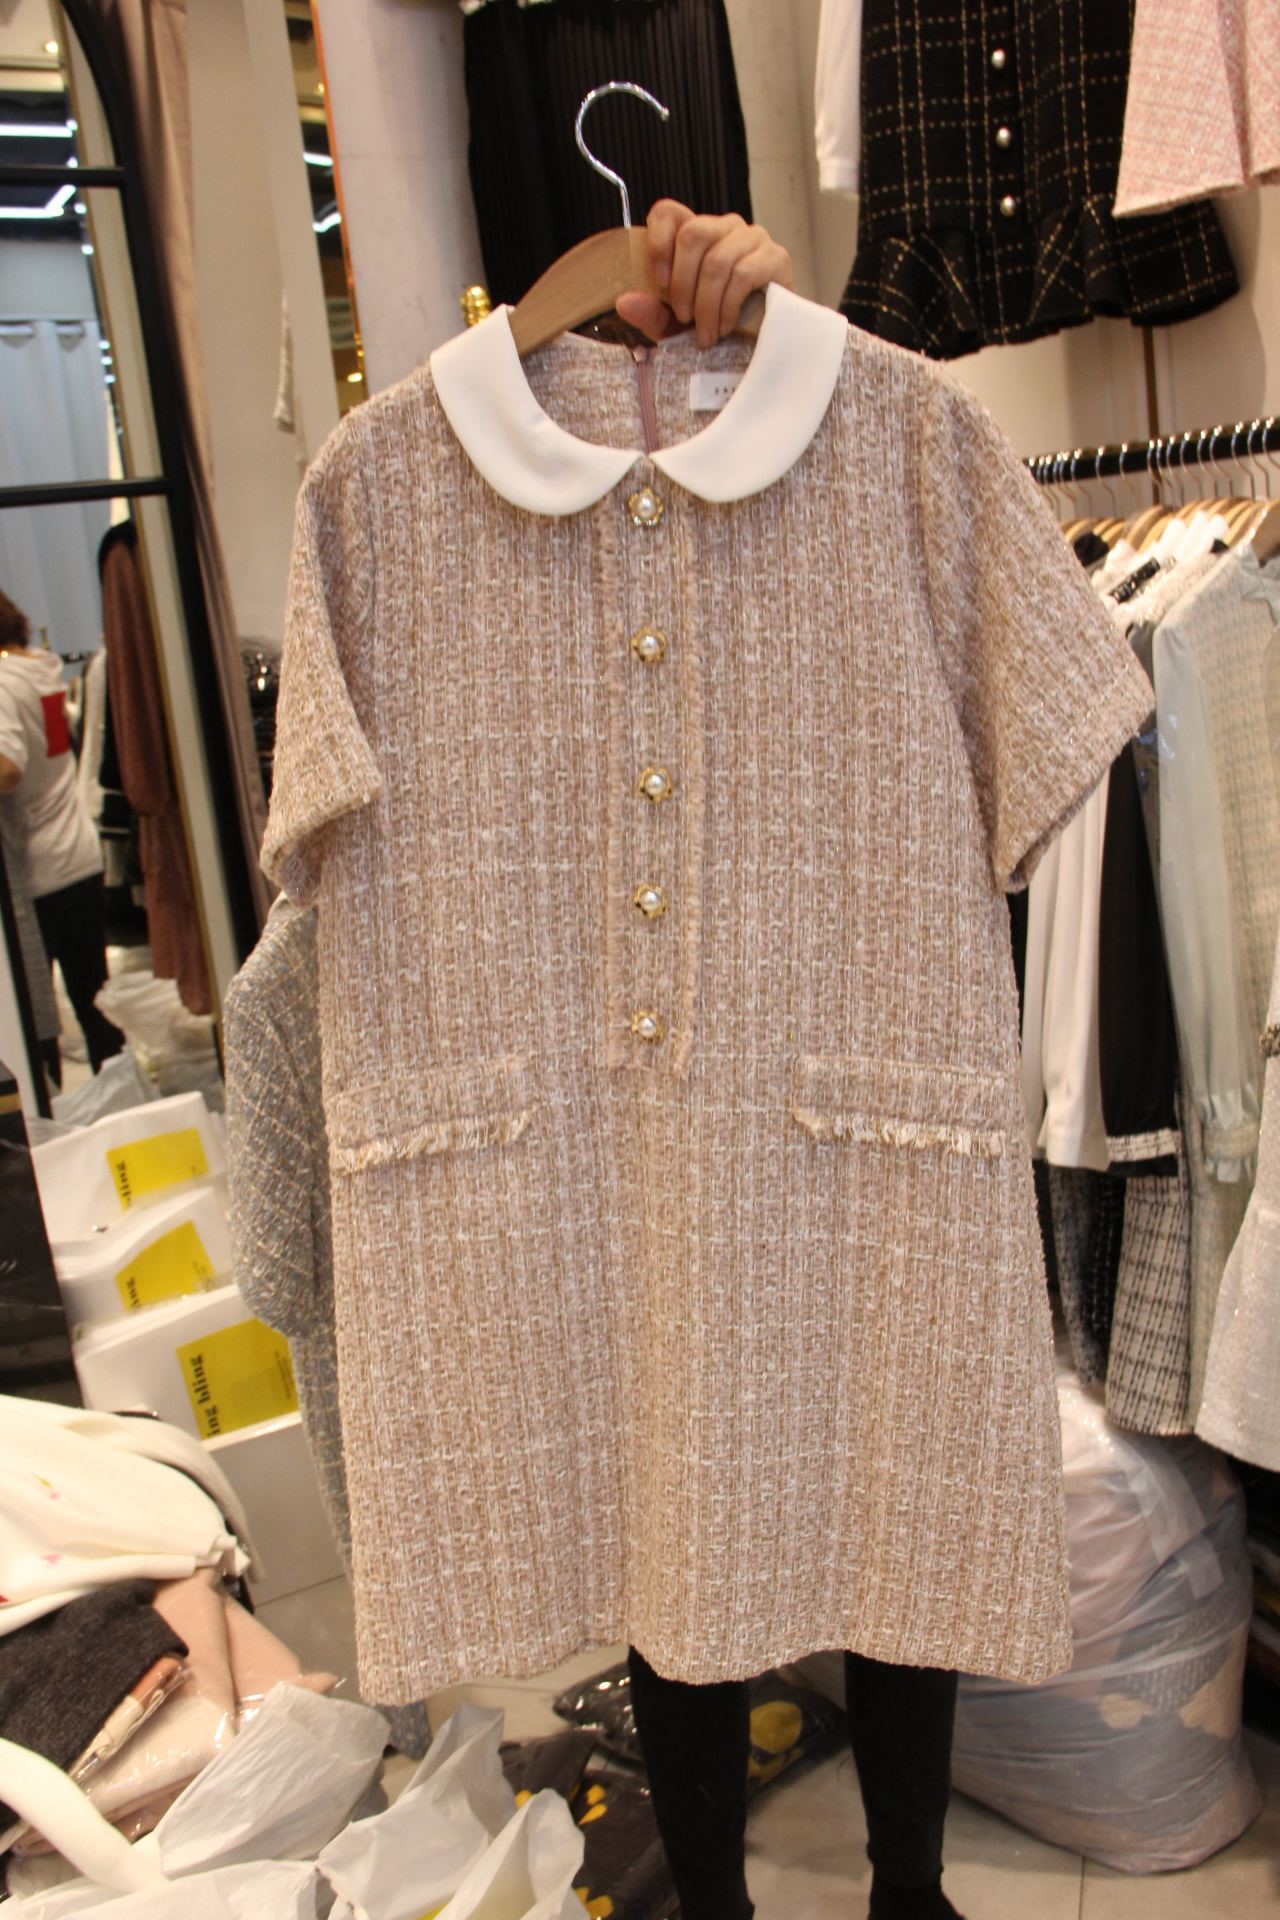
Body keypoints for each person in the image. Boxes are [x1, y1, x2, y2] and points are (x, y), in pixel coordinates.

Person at [608, 202, 966, 1920]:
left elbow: (1049, 743)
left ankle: (911, 1892)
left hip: (859, 1096)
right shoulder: (400, 494)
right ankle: (719, 1902)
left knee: (891, 1482)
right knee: (672, 1504)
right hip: (633, 1128)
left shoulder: (900, 443)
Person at [0, 587, 123, 1076]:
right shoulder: (42, 669)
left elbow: (9, 767)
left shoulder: (3, 682)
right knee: (95, 1002)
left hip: (38, 866)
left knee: (36, 1017)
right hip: (76, 849)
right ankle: (120, 1097)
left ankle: (47, 1108)